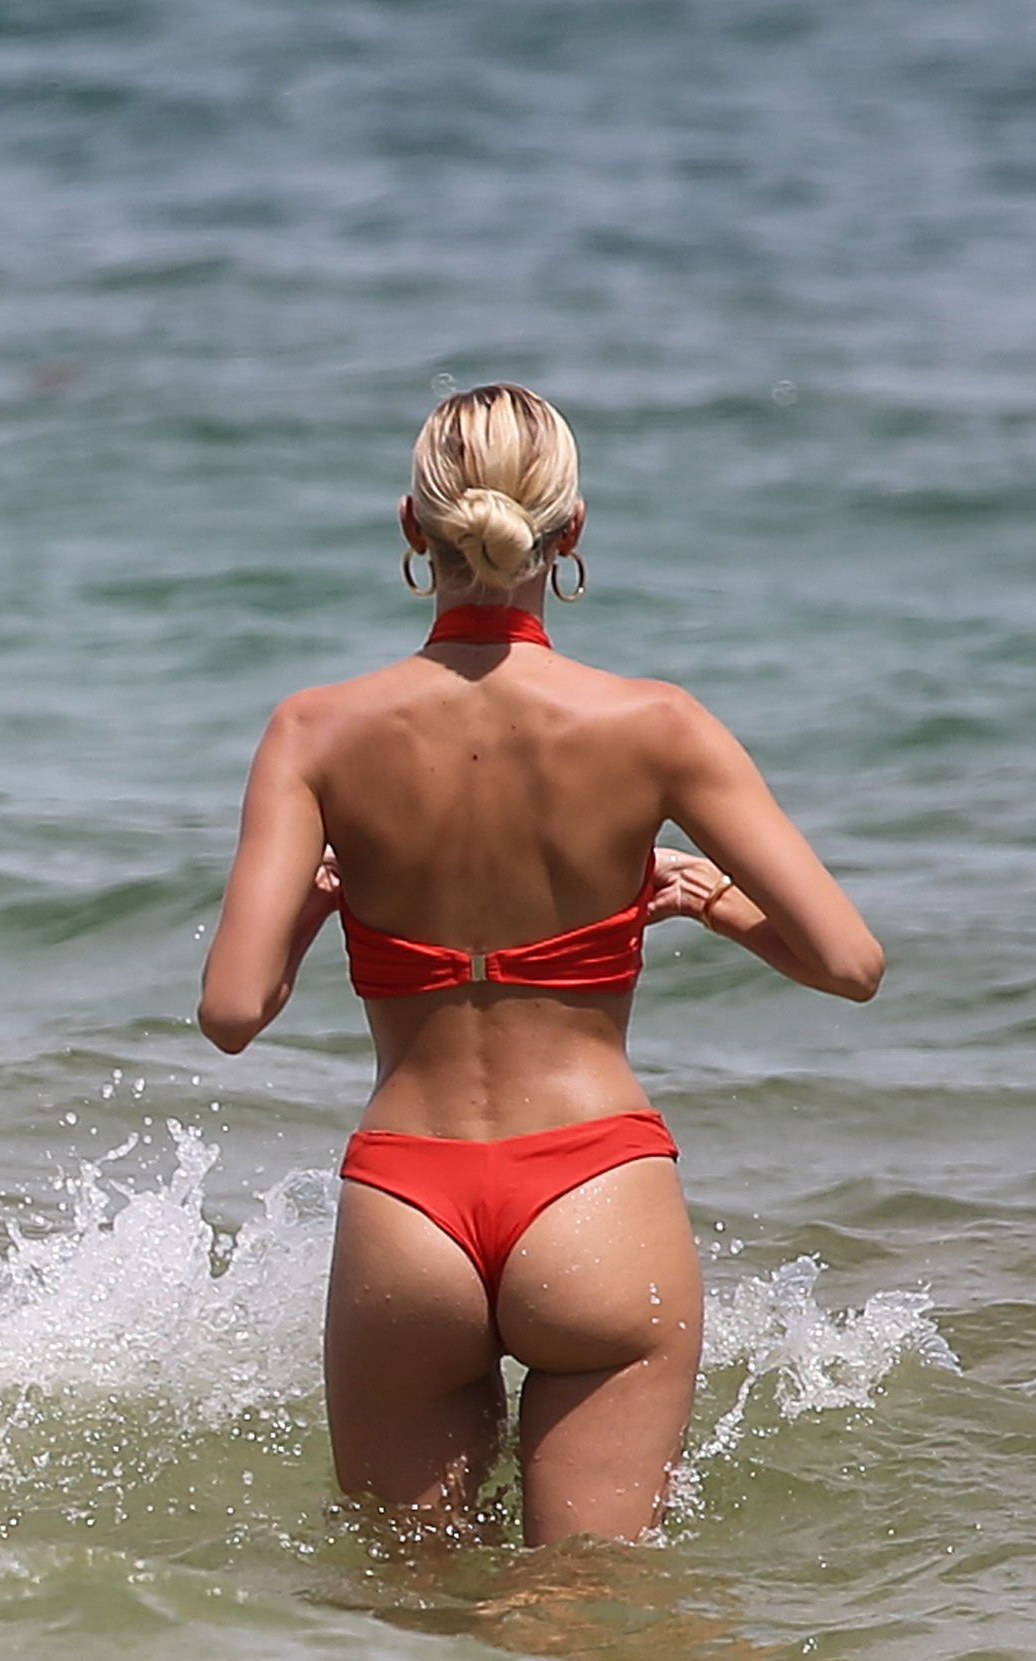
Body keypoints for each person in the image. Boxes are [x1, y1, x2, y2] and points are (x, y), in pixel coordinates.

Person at [198, 384, 881, 1543]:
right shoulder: (656, 723)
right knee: (590, 1608)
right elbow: (850, 962)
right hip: (594, 1188)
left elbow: (230, 1010)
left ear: (412, 527)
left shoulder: (313, 730)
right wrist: (713, 901)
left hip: (407, 1204)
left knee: (409, 1604)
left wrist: (321, 903)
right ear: (571, 531)